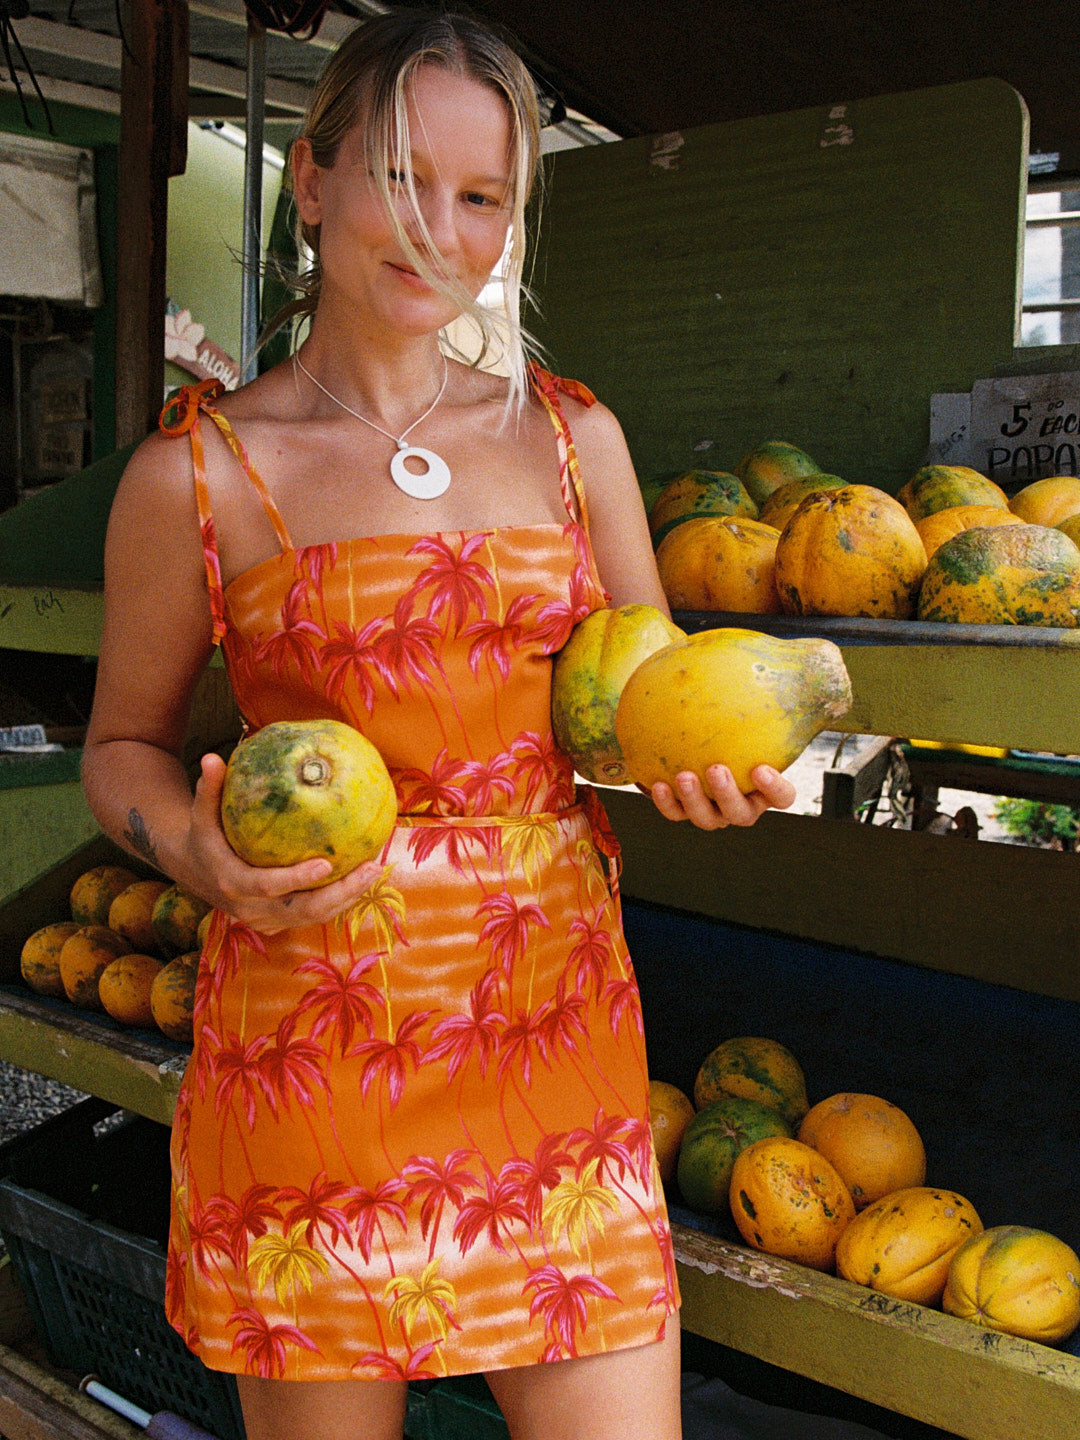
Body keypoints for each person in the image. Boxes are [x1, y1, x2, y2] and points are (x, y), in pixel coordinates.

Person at [81, 10, 796, 1439]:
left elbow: (643, 709)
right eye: (404, 177)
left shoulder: (574, 440)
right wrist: (196, 856)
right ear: (312, 178)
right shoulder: (199, 473)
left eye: (482, 196)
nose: (440, 230)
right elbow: (119, 749)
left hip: (551, 1038)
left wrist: (701, 773)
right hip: (316, 1046)